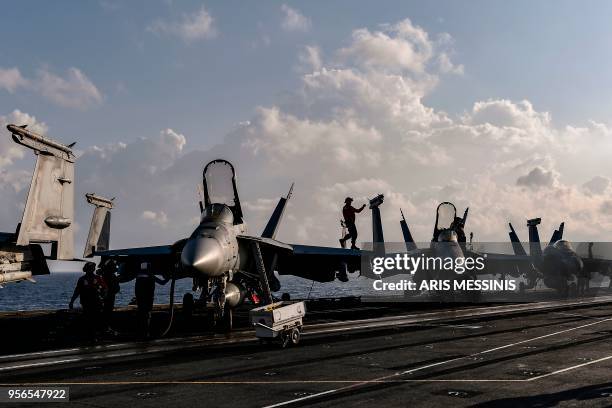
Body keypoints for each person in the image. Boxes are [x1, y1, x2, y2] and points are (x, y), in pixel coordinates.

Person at [69, 262, 105, 341]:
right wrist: (72, 301)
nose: (92, 269)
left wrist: (72, 301)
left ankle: (93, 335)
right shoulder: (83, 279)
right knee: (90, 319)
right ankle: (91, 335)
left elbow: (104, 289)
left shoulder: (96, 278)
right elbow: (77, 291)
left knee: (94, 319)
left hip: (95, 302)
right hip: (88, 303)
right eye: (91, 268)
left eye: (92, 268)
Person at [135, 272, 169, 339]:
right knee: (147, 314)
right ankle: (146, 332)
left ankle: (141, 332)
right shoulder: (151, 276)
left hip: (141, 298)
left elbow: (136, 289)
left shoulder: (138, 276)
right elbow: (162, 282)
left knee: (141, 314)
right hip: (148, 298)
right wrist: (169, 277)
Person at [99, 260, 120, 333]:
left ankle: (105, 327)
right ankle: (105, 327)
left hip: (108, 296)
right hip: (108, 296)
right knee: (107, 312)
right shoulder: (109, 276)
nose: (115, 268)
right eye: (114, 266)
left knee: (107, 312)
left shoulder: (107, 275)